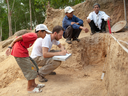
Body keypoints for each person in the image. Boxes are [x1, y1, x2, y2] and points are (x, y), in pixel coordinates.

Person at [5, 24, 52, 93]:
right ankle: (29, 88)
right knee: (30, 69)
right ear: (40, 31)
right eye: (45, 32)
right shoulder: (34, 35)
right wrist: (10, 47)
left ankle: (34, 85)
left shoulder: (35, 37)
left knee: (34, 66)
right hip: (19, 53)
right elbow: (18, 38)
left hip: (23, 52)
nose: (46, 34)